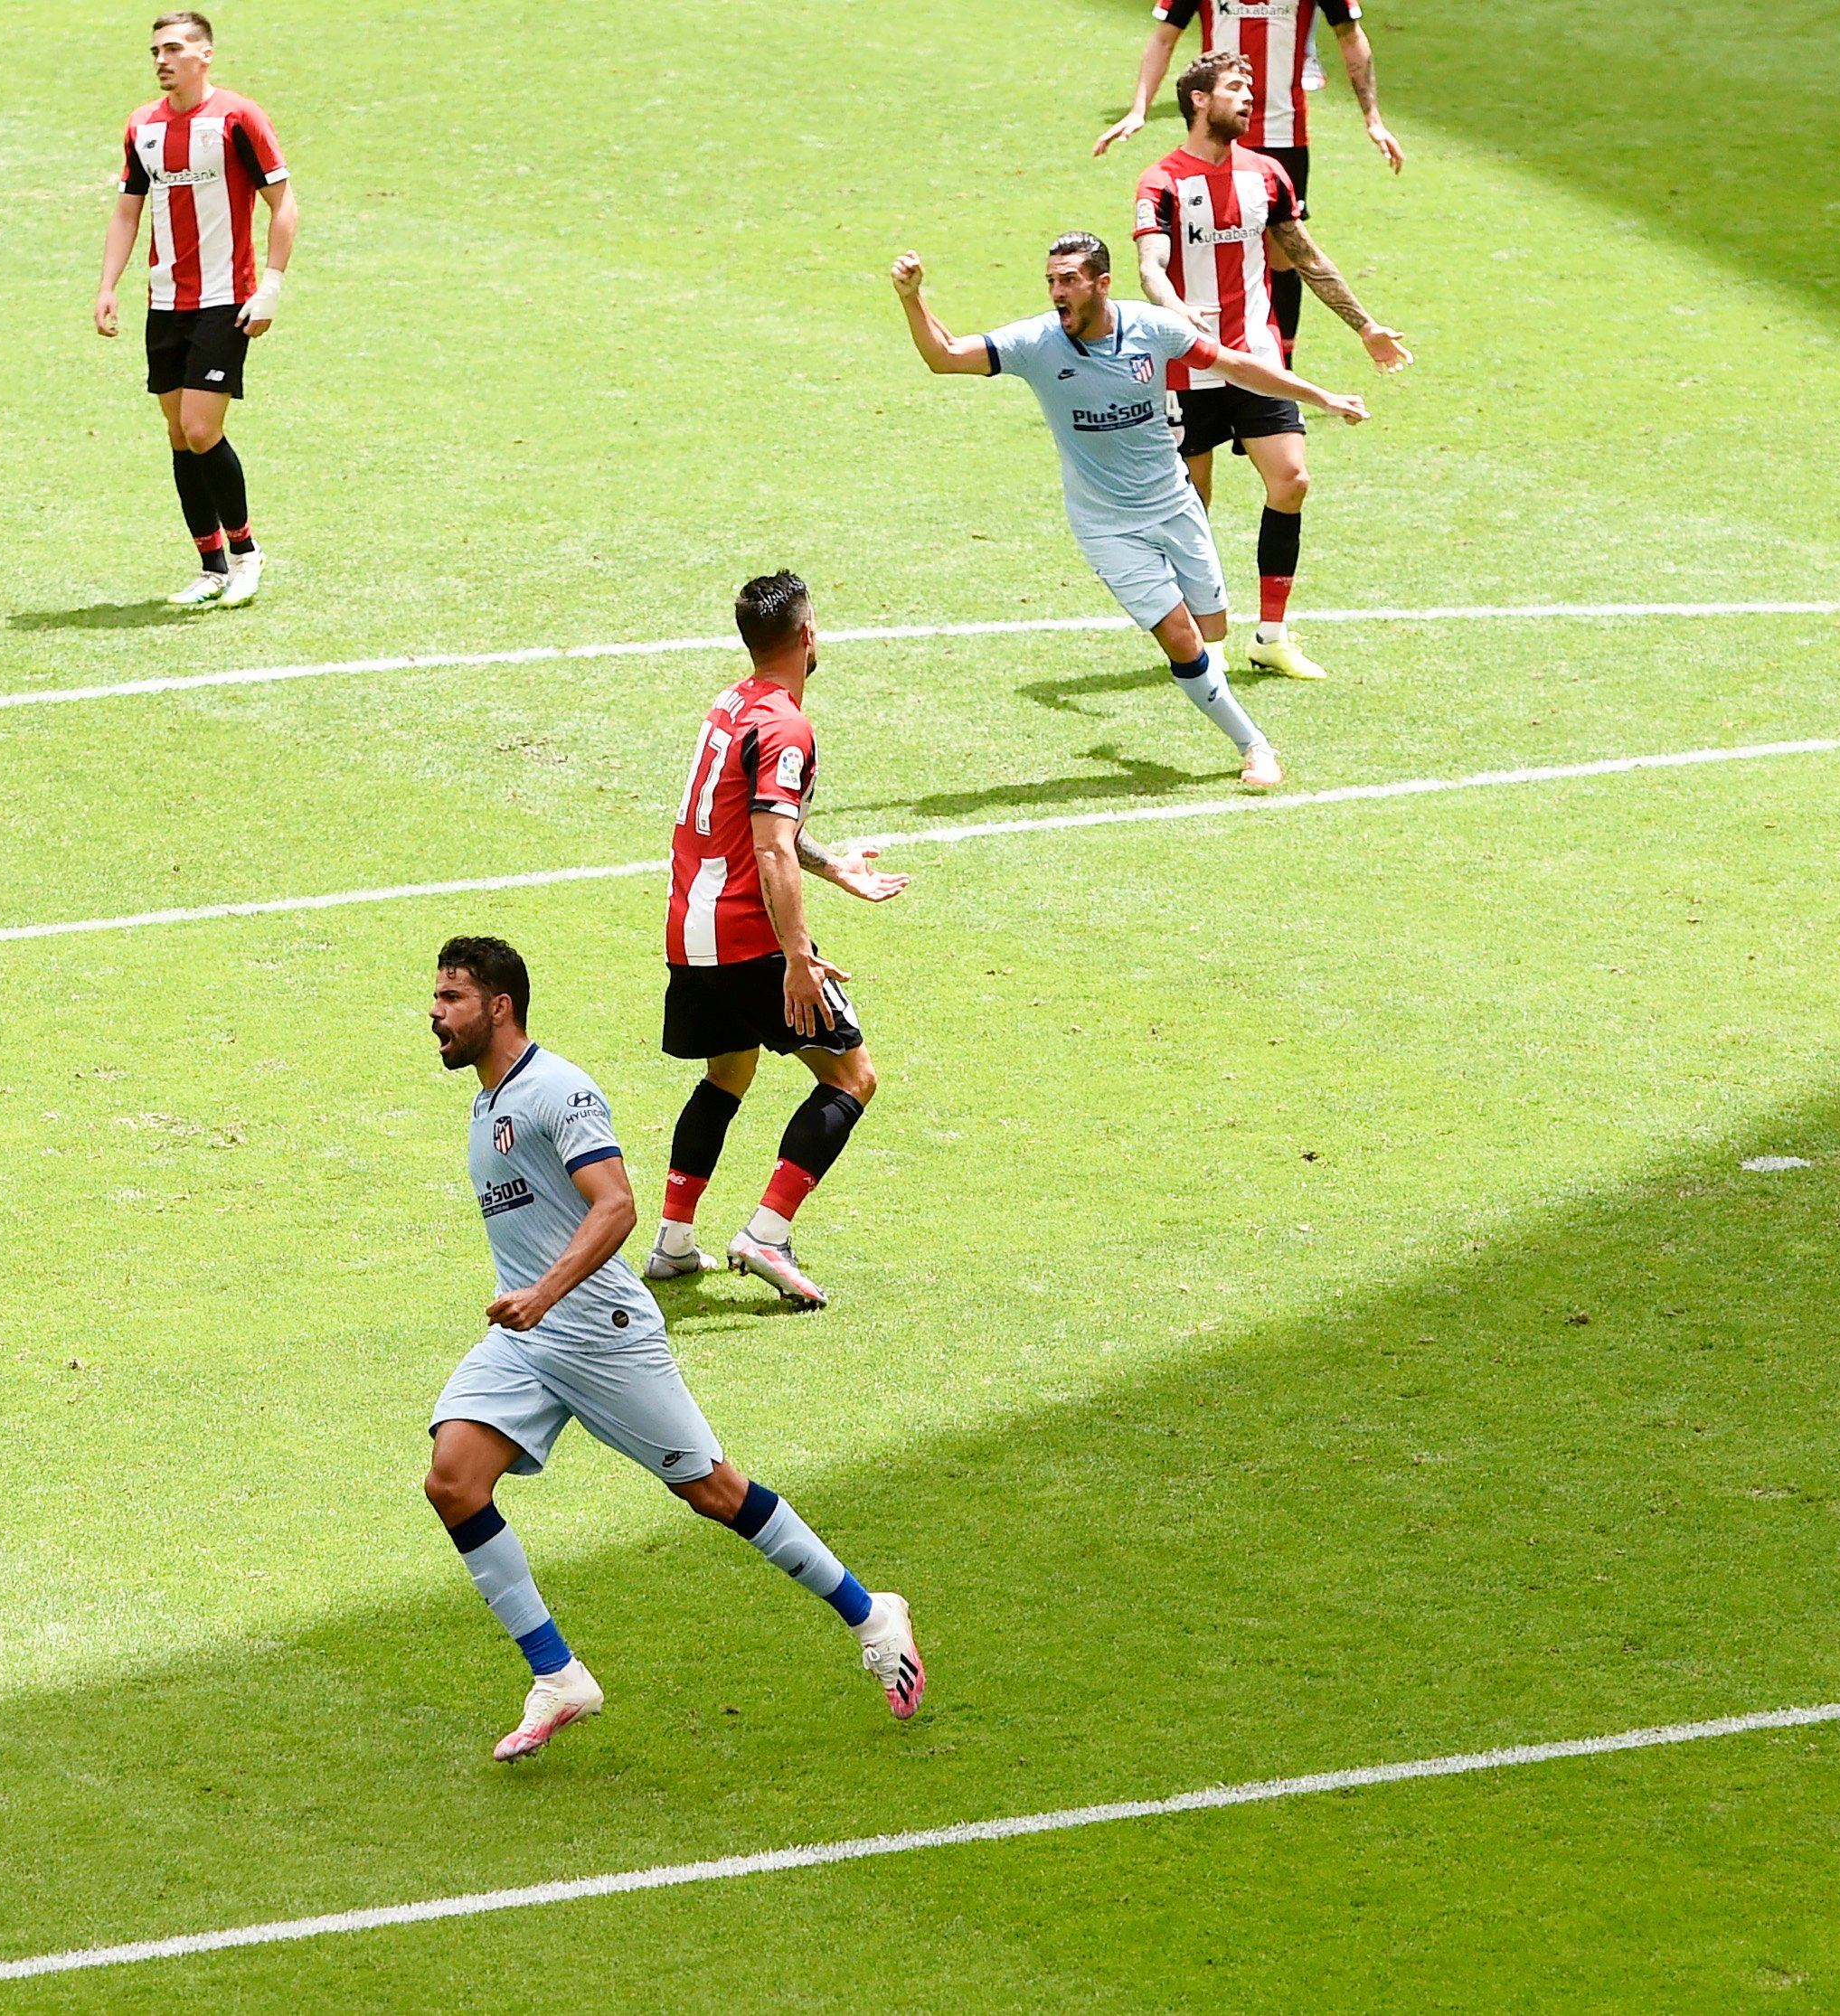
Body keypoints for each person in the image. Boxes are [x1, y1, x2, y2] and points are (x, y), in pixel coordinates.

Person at [421, 936, 924, 1761]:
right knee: (453, 1481)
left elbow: (616, 1207)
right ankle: (558, 1676)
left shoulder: (557, 1090)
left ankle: (874, 1615)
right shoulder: (485, 1106)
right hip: (528, 1344)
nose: (435, 1014)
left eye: (452, 999)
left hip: (600, 1334)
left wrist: (544, 1295)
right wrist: (532, 1311)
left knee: (715, 1493)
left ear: (498, 1007)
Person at [892, 233, 1372, 787]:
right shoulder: (1036, 342)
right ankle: (1255, 746)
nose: (1056, 292)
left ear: (1101, 282)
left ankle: (1205, 667)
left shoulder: (1152, 328)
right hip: (1105, 525)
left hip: (1173, 504)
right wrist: (912, 297)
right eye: (1051, 280)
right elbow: (945, 356)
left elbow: (1236, 365)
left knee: (1211, 626)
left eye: (1068, 279)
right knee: (1181, 637)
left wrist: (1324, 397)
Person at [646, 573, 909, 1312]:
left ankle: (672, 1242)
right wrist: (798, 955)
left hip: (689, 931)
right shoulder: (789, 726)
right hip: (748, 935)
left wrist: (835, 869)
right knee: (851, 1077)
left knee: (728, 1072)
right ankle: (767, 1232)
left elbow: (762, 827)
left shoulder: (730, 704)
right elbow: (768, 849)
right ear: (805, 635)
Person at [1133, 51, 1408, 683]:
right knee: (1190, 505)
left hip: (1257, 358)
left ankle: (1272, 636)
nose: (1249, 97)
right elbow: (1150, 267)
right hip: (1188, 366)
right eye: (1235, 88)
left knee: (1292, 481)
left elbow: (1307, 258)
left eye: (1250, 88)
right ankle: (1205, 641)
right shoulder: (1162, 181)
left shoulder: (1267, 175)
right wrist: (1177, 310)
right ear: (1200, 100)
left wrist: (1366, 327)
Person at [95, 11, 297, 608]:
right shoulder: (142, 127)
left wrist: (272, 286)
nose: (162, 59)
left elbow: (282, 203)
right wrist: (108, 286)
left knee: (204, 428)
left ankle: (246, 554)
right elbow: (128, 209)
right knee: (179, 435)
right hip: (165, 301)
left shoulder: (237, 116)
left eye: (174, 48)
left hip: (225, 299)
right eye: (156, 49)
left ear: (204, 56)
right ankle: (209, 566)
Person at [1093, 0, 1403, 356]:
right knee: (1206, 243)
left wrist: (1373, 118)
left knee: (1285, 252)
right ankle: (1205, 352)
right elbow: (1164, 38)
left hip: (1283, 136)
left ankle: (1280, 365)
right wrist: (1139, 108)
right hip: (1217, 131)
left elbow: (1350, 36)